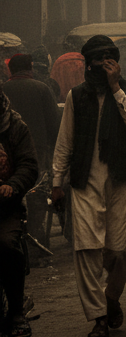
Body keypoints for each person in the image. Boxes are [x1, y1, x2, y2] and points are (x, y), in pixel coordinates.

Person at [51, 35, 126, 337]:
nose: (101, 66)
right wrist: (56, 182)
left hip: (121, 181)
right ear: (87, 64)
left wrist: (116, 88)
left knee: (121, 252)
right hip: (85, 182)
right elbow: (65, 143)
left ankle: (112, 297)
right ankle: (99, 317)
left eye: (108, 60)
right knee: (87, 250)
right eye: (96, 61)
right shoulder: (77, 96)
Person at [3, 53, 60, 245]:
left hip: (7, 155)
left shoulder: (3, 90)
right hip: (37, 153)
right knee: (36, 197)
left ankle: (15, 239)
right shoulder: (42, 89)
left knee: (11, 194)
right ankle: (35, 243)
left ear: (10, 69)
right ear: (31, 68)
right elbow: (54, 126)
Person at [0, 87, 38, 337]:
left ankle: (15, 311)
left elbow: (28, 165)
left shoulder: (15, 126)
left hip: (6, 207)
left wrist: (12, 185)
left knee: (5, 245)